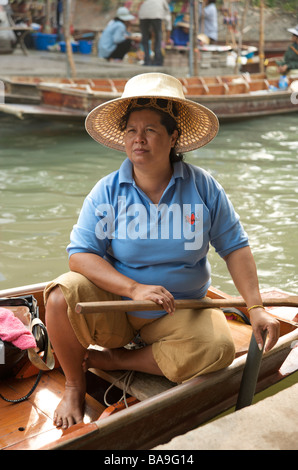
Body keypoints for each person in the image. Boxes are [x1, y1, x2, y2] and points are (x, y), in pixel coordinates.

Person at [45, 72, 280, 430]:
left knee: (218, 348)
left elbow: (235, 248)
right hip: (119, 309)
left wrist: (256, 307)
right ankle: (75, 385)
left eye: (151, 130)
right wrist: (134, 289)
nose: (139, 139)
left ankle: (113, 360)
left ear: (173, 138)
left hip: (180, 309)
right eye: (131, 130)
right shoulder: (109, 191)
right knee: (60, 298)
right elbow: (80, 255)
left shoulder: (203, 187)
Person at [138, 0, 171, 66]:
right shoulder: (163, 2)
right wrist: (168, 35)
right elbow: (168, 19)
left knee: (145, 38)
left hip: (143, 16)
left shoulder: (149, 1)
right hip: (156, 16)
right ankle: (157, 61)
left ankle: (147, 61)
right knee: (158, 37)